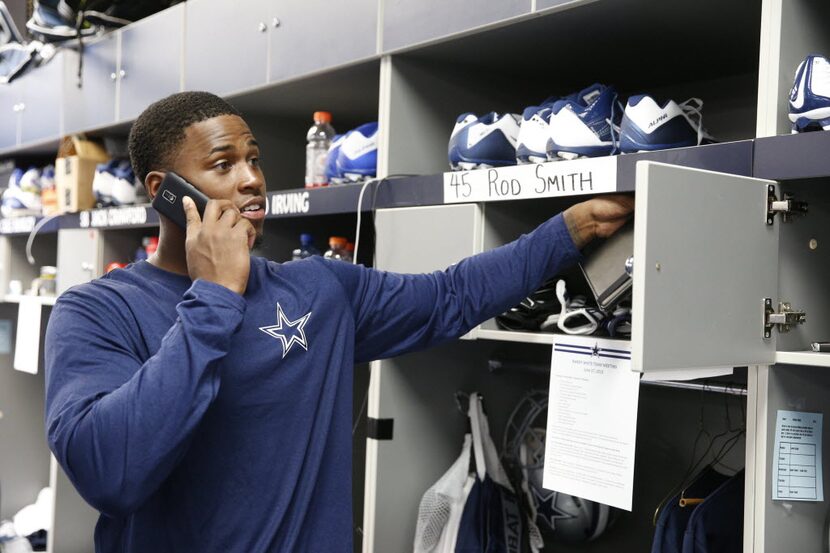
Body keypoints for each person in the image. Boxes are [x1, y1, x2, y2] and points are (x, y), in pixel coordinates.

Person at [44, 91, 634, 552]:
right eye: (223, 164)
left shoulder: (318, 288)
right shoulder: (96, 312)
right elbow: (109, 472)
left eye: (253, 159)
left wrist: (569, 230)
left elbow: (449, 296)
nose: (251, 178)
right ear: (164, 192)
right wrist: (214, 297)